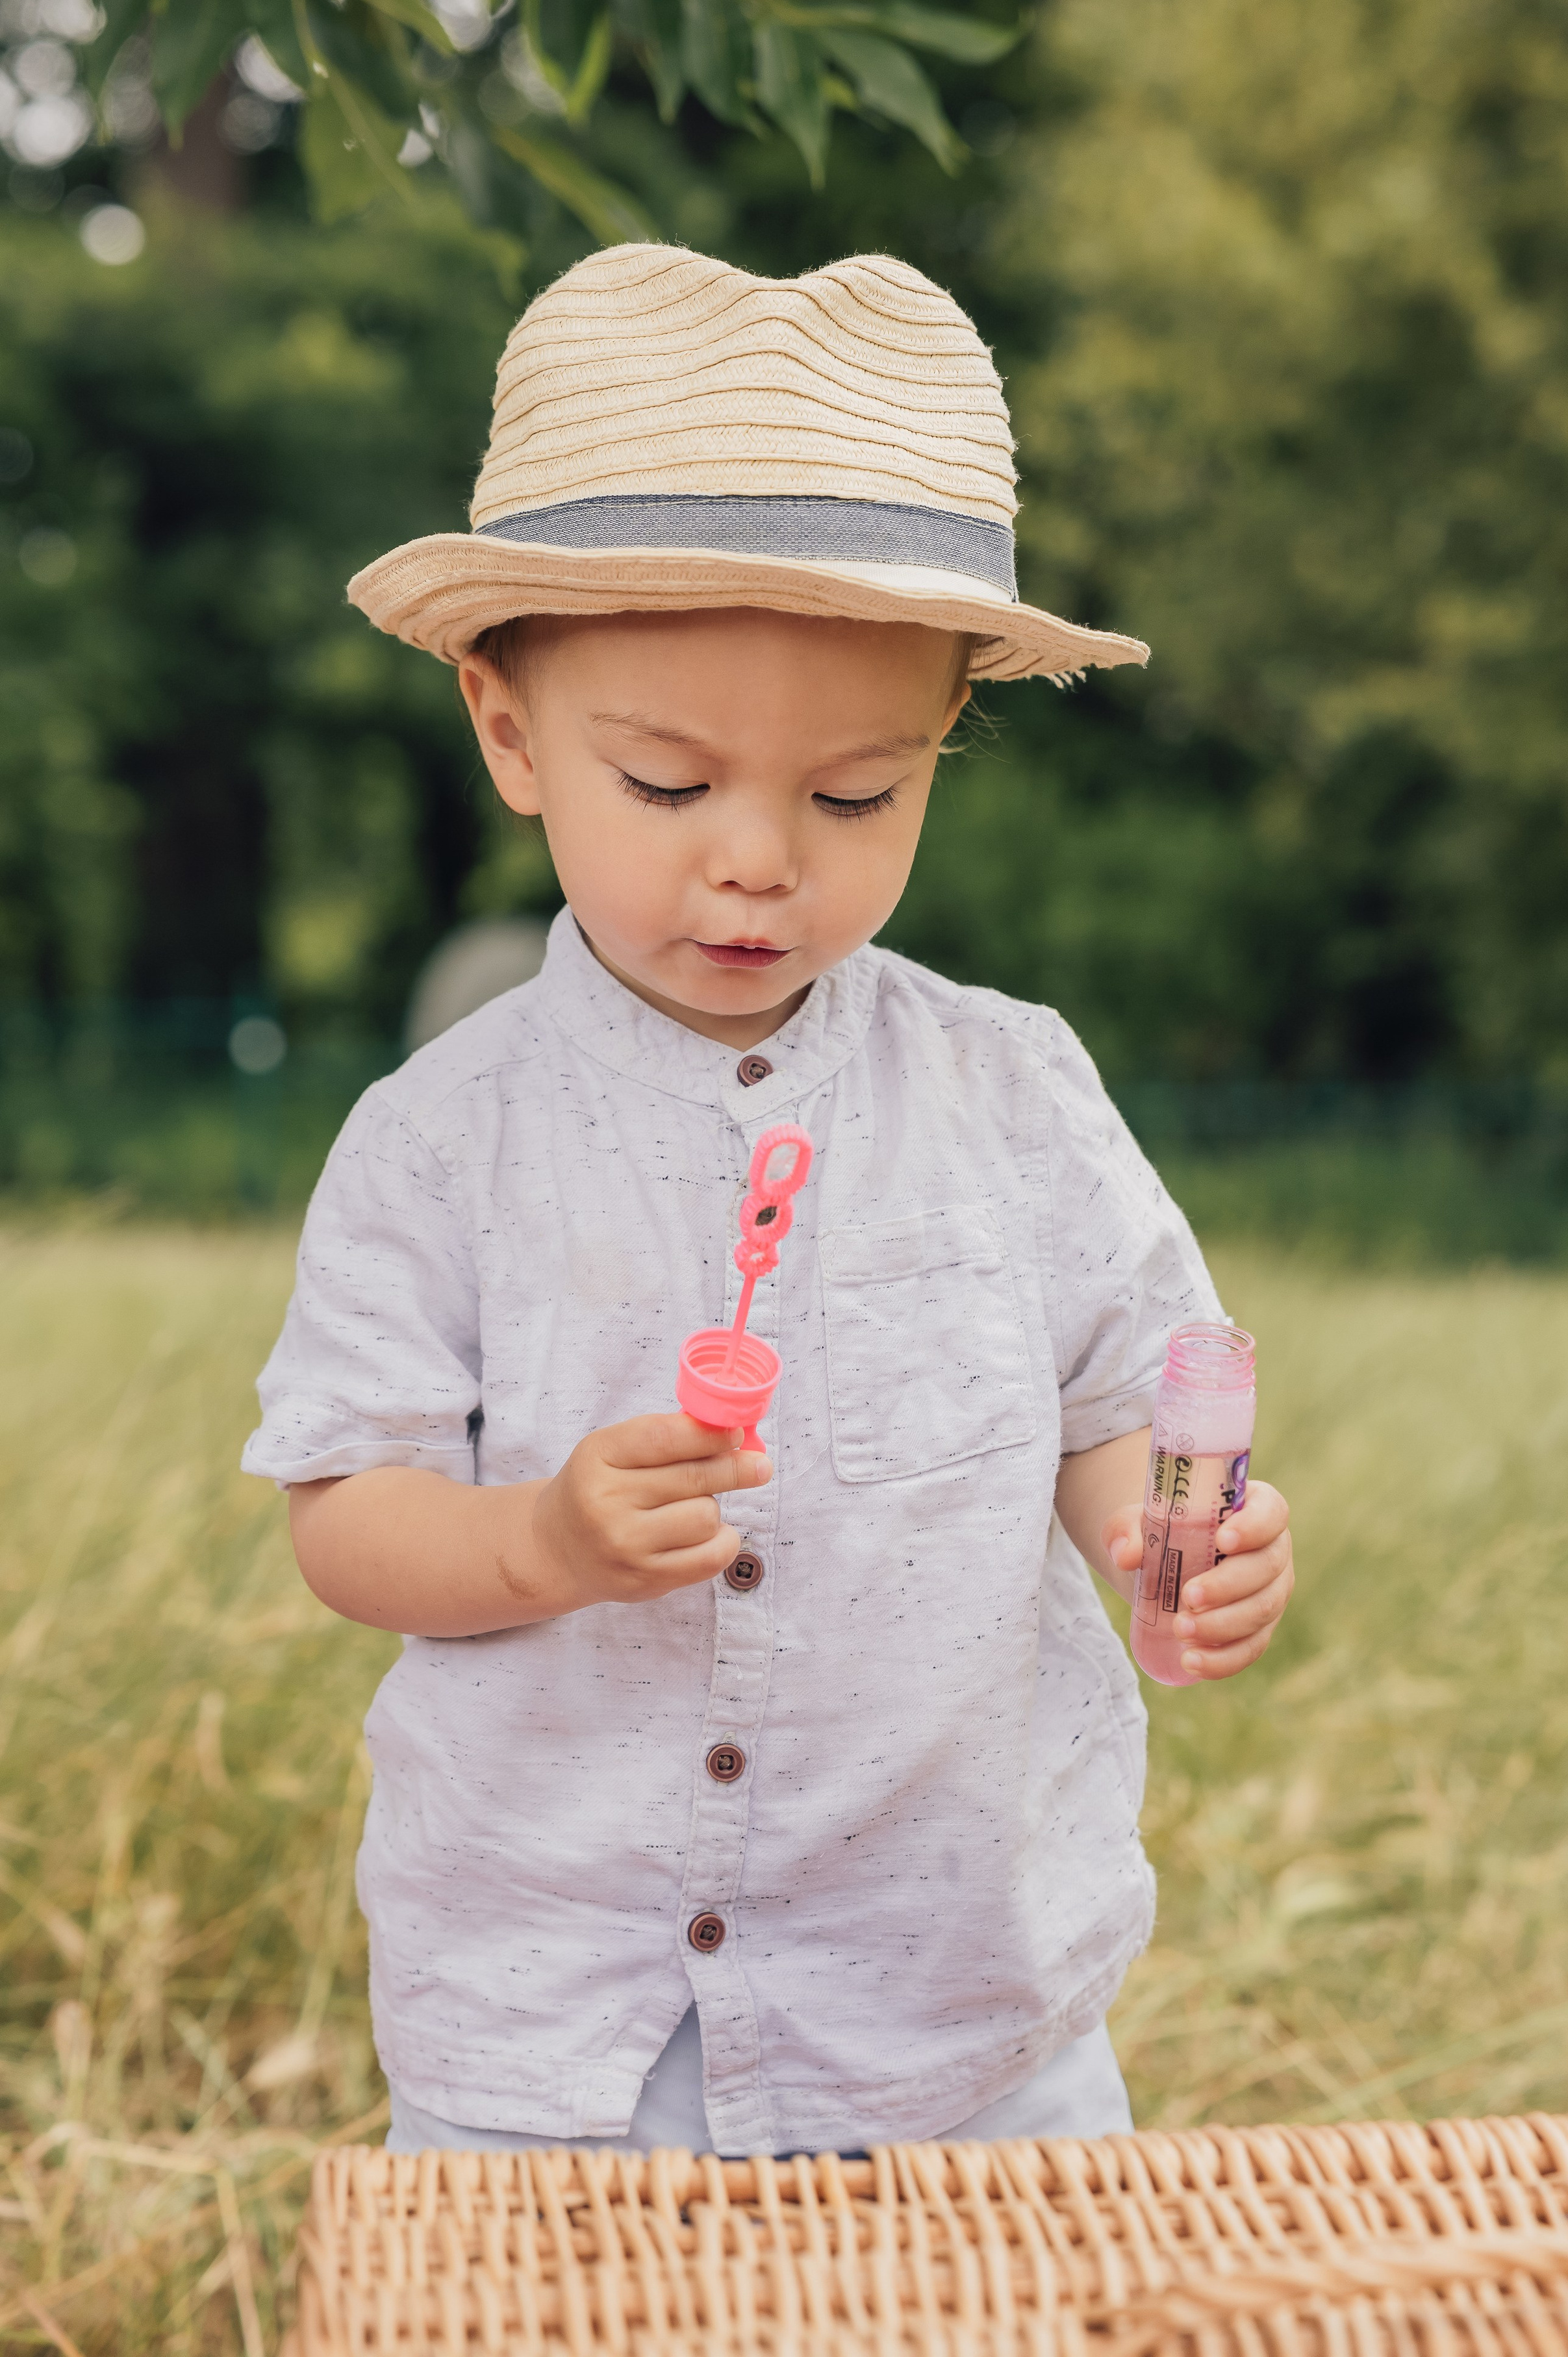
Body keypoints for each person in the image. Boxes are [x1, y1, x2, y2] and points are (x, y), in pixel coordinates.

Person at [243, 244, 1295, 2160]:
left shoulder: (1012, 1092)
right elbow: (350, 1516)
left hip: (955, 2031)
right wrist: (540, 1545)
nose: (756, 867)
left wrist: (1167, 1540)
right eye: (665, 783)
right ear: (509, 732)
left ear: (942, 748)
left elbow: (1118, 1410)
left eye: (854, 798)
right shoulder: (441, 1137)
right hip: (555, 2037)